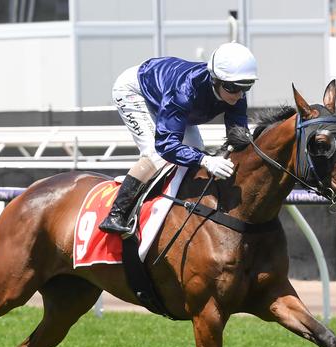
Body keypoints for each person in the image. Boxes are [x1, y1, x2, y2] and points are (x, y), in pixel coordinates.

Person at [98, 42, 258, 234]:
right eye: (233, 87)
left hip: (169, 97)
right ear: (215, 79)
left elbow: (238, 136)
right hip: (136, 90)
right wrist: (205, 160)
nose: (239, 95)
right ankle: (116, 213)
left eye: (246, 87)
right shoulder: (184, 90)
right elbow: (166, 145)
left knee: (196, 147)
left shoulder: (236, 93)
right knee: (155, 154)